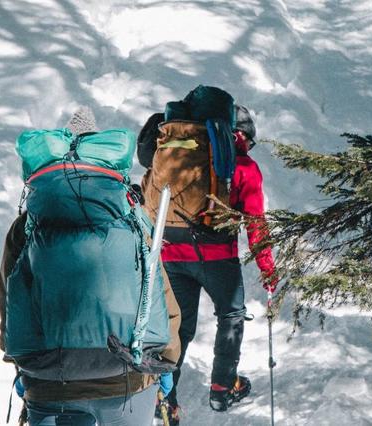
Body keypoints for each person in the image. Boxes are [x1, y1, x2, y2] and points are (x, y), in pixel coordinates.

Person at [0, 107, 182, 426]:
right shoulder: (131, 218)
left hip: (49, 380)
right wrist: (166, 363)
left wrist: (19, 361)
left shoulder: (29, 224)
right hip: (128, 377)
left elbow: (10, 300)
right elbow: (158, 291)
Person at [139, 100, 278, 422]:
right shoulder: (240, 166)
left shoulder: (168, 157)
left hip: (171, 255)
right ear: (241, 136)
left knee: (178, 327)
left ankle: (165, 398)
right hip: (217, 258)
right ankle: (222, 387)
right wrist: (268, 269)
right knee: (230, 314)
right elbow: (255, 221)